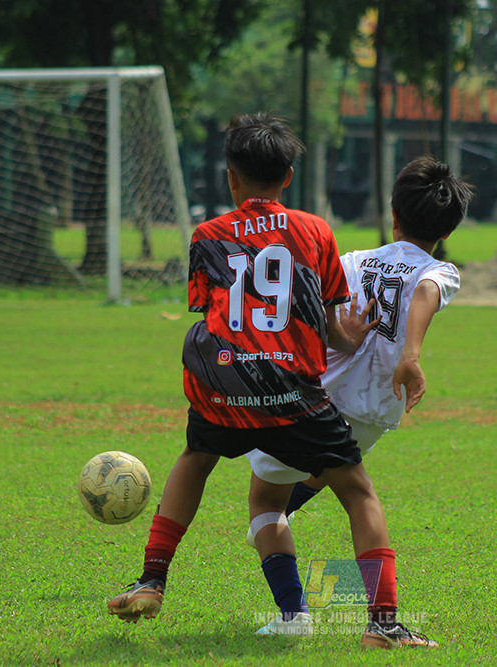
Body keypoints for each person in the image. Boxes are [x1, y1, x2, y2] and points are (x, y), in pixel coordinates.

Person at [106, 112, 434, 649]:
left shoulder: (206, 235)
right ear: (288, 177)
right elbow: (328, 325)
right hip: (293, 391)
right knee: (358, 494)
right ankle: (383, 624)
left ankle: (153, 579)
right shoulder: (313, 231)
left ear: (230, 178)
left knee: (195, 459)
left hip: (225, 385)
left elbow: (211, 310)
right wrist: (349, 337)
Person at [244, 156, 474, 559]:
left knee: (265, 503)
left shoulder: (352, 261)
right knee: (335, 466)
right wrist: (410, 355)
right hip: (373, 410)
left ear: (393, 215)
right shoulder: (441, 271)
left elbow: (311, 306)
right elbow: (425, 291)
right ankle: (377, 611)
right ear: (450, 228)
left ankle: (290, 596)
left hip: (319, 398)